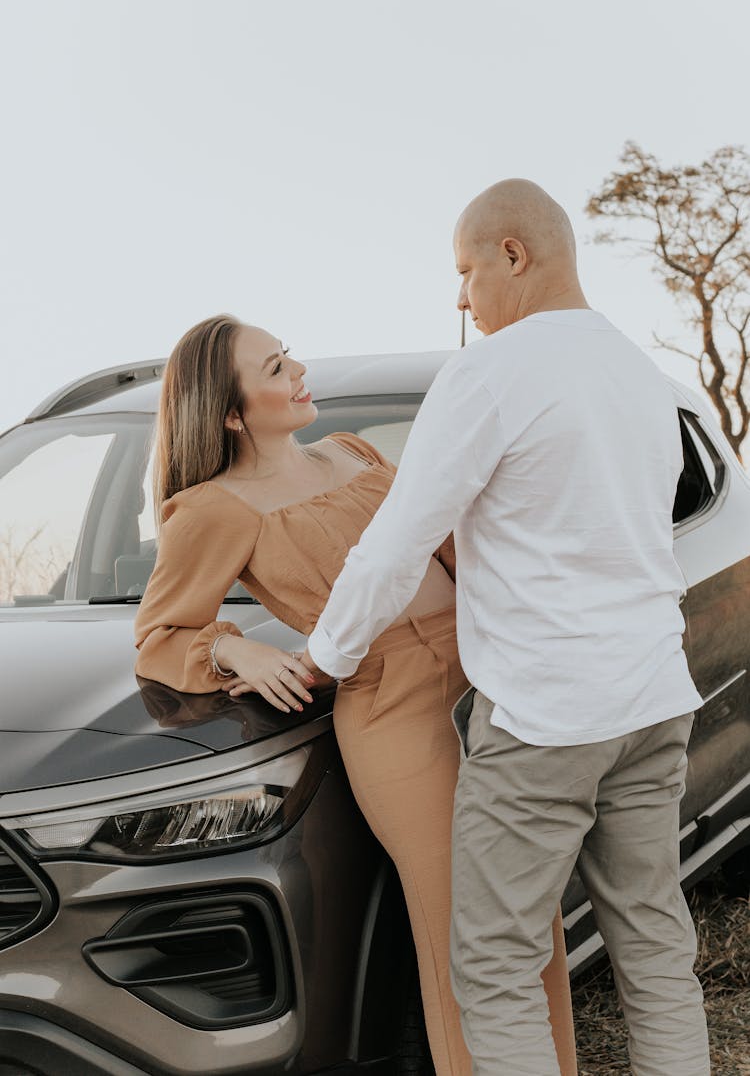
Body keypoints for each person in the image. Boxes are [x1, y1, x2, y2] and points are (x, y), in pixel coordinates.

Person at [302, 180, 712, 1075]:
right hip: (650, 696)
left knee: (490, 966)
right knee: (652, 946)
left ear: (513, 255)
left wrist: (323, 656)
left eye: (465, 270)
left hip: (546, 717)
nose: (460, 296)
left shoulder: (490, 372)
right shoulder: (639, 374)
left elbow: (395, 544)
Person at [133, 314, 577, 1076]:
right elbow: (159, 633)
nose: (299, 369)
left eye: (287, 352)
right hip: (393, 712)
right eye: (275, 367)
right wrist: (232, 643)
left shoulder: (353, 452)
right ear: (233, 412)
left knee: (531, 911)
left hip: (485, 678)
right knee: (464, 934)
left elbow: (452, 547)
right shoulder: (212, 508)